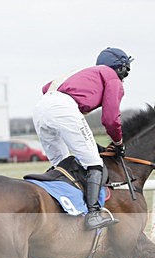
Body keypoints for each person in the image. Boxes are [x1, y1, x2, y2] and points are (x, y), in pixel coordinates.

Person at [32, 47, 133, 230]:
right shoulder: (112, 78)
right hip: (63, 107)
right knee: (94, 163)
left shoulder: (86, 73)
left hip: (41, 108)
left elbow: (45, 88)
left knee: (62, 164)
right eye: (126, 71)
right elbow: (110, 119)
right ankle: (94, 214)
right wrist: (118, 143)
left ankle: (59, 209)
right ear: (120, 68)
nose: (125, 76)